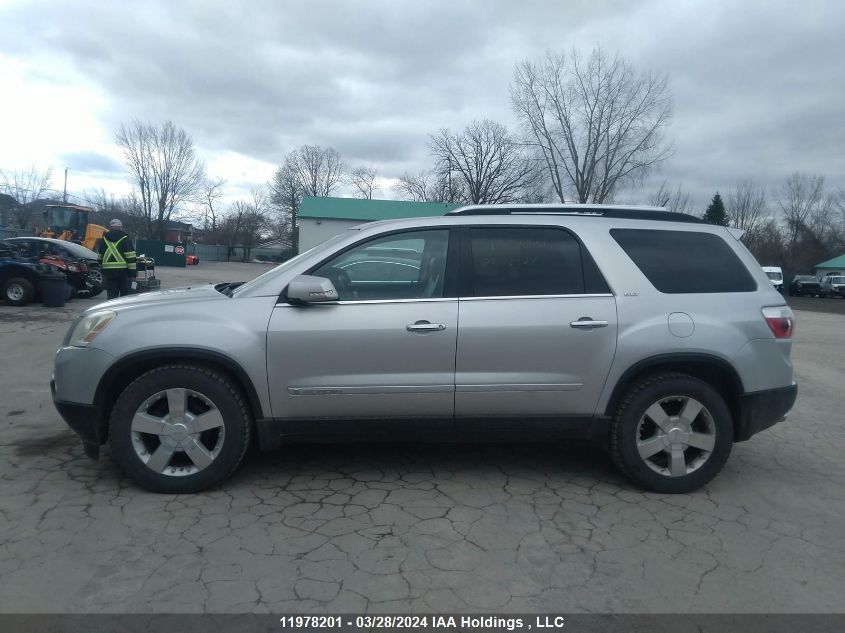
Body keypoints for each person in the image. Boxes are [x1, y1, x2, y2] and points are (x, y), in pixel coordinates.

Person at [97, 219, 137, 299]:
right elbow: (131, 257)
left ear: (110, 227)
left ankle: (112, 310)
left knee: (111, 296)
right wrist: (133, 274)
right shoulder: (125, 238)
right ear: (120, 227)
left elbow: (99, 256)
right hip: (123, 272)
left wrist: (102, 268)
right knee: (124, 296)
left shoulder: (104, 238)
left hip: (109, 272)